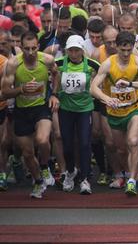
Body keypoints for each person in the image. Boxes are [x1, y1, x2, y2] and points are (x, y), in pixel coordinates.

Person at [90, 31, 138, 196]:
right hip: (115, 111)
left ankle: (132, 181)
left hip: (134, 108)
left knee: (133, 141)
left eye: (129, 50)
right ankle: (127, 172)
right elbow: (93, 87)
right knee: (120, 149)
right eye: (122, 50)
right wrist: (106, 98)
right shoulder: (108, 64)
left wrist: (130, 83)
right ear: (116, 47)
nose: (126, 54)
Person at [1, 32, 56, 198]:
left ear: (38, 47)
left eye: (33, 48)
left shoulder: (47, 60)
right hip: (22, 110)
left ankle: (45, 166)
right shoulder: (13, 64)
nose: (30, 52)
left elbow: (56, 73)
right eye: (27, 49)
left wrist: (54, 94)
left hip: (41, 107)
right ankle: (38, 182)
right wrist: (21, 89)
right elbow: (4, 92)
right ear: (21, 48)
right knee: (27, 153)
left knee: (42, 139)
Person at [52, 35, 103, 194]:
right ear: (66, 51)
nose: (74, 54)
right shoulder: (59, 64)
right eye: (71, 50)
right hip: (66, 110)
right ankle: (70, 171)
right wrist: (53, 94)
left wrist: (95, 88)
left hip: (84, 109)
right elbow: (51, 74)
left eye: (77, 50)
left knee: (84, 143)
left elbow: (103, 75)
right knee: (67, 145)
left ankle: (85, 178)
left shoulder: (92, 65)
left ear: (82, 51)